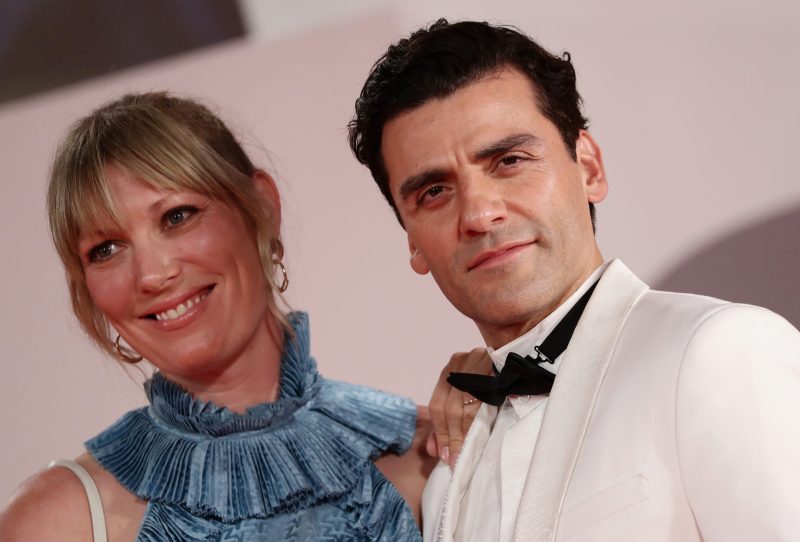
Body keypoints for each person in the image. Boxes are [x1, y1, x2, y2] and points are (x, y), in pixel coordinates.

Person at [348, 19, 800, 542]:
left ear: (588, 167)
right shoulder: (447, 469)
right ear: (411, 240)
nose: (479, 214)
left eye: (509, 160)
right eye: (433, 192)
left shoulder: (718, 351)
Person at [0, 91, 460, 541]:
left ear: (261, 204)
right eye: (106, 249)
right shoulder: (54, 523)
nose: (153, 275)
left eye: (177, 216)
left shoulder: (432, 451)